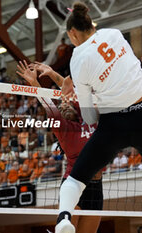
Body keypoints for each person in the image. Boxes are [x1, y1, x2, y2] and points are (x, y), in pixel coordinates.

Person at [55, 3, 142, 233]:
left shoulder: (77, 59)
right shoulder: (114, 34)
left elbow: (87, 116)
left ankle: (64, 219)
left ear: (72, 33)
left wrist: (79, 88)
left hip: (112, 124)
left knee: (75, 180)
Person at [17, 60, 102, 233]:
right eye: (60, 105)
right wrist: (34, 83)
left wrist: (50, 72)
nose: (63, 104)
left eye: (65, 102)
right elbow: (47, 103)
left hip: (95, 187)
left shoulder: (87, 117)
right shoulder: (62, 129)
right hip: (74, 183)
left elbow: (70, 88)